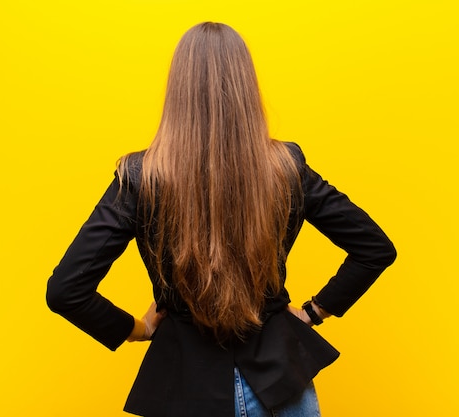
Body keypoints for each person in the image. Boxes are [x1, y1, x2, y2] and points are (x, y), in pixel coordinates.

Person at [46, 22, 396, 417]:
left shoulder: (140, 176)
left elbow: (66, 289)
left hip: (184, 389)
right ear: (246, 86)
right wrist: (314, 311)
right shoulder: (287, 167)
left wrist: (138, 329)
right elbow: (374, 248)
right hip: (280, 384)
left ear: (177, 91)